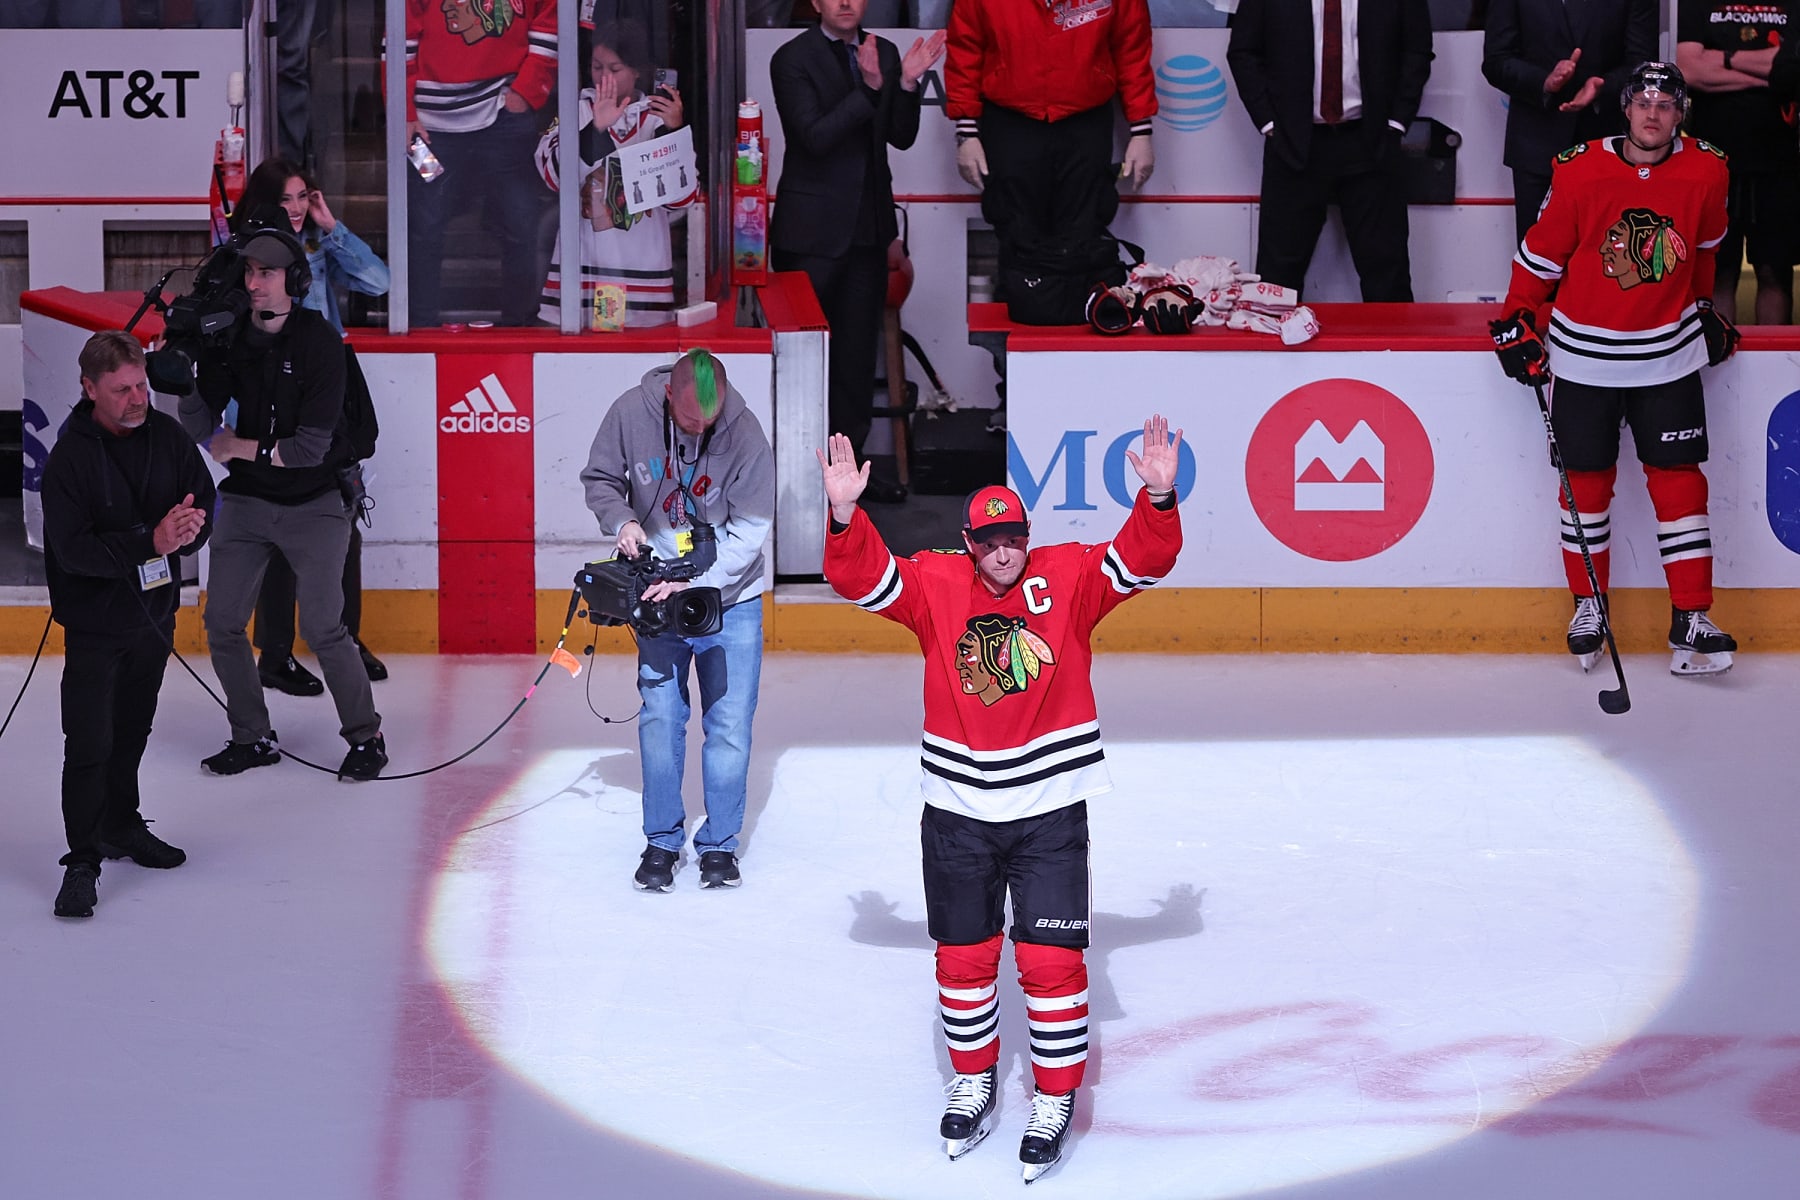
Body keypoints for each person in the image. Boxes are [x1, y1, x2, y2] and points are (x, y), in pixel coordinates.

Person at [818, 415, 1184, 1182]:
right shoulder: (932, 583)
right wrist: (848, 516)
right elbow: (860, 579)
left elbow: (1143, 560)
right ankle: (975, 1080)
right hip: (958, 807)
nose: (1002, 550)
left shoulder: (1072, 576)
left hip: (1049, 808)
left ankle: (1053, 1097)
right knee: (964, 956)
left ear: (1027, 532)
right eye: (986, 541)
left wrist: (1156, 496)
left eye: (1011, 535)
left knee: (1051, 961)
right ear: (966, 543)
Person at [1489, 62, 1741, 677]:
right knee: (1585, 487)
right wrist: (1519, 316)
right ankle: (1589, 608)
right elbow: (1540, 256)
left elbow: (1705, 251)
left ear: (1681, 113)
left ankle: (1691, 619)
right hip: (1584, 357)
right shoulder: (1579, 169)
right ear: (1624, 109)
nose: (1652, 113)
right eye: (1642, 102)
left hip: (1668, 355)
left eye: (1666, 103)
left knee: (1681, 484)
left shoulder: (1708, 168)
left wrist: (1704, 307)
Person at [178, 226, 388, 779]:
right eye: (248, 273)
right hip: (246, 501)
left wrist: (237, 446)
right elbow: (202, 423)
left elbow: (306, 451)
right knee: (222, 623)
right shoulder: (228, 339)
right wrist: (184, 379)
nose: (254, 284)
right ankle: (252, 735)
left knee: (323, 628)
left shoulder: (318, 341)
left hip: (315, 501)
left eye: (266, 273)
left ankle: (366, 738)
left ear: (293, 281)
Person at [580, 349, 776, 891]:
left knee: (729, 725)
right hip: (658, 592)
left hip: (730, 598)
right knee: (661, 718)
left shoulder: (746, 433)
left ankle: (720, 845)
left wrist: (702, 582)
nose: (701, 428)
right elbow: (599, 477)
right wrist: (621, 521)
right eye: (690, 420)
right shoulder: (629, 411)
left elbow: (752, 529)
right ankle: (662, 840)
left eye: (709, 421)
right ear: (669, 393)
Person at [40, 331, 216, 918]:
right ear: (90, 389)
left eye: (141, 384)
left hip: (153, 620)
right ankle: (83, 859)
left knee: (133, 730)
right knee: (89, 743)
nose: (138, 398)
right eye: (122, 390)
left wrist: (192, 527)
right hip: (94, 627)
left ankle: (121, 823)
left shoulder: (166, 435)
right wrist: (151, 541)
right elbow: (72, 551)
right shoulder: (70, 458)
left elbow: (204, 496)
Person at [770, 1, 943, 503]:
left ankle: (849, 482)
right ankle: (797, 482)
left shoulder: (883, 52)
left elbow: (901, 136)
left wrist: (906, 84)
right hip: (810, 236)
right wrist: (869, 88)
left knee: (852, 363)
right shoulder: (792, 58)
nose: (846, 2)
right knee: (805, 364)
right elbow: (815, 136)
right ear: (816, 3)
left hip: (868, 232)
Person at [234, 157, 391, 695]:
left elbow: (377, 280)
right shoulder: (244, 258)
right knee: (274, 527)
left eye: (304, 197)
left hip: (327, 393)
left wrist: (333, 227)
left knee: (340, 517)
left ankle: (344, 638)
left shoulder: (321, 247)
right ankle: (274, 654)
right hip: (268, 398)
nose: (297, 210)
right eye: (286, 201)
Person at [1226, 0, 1434, 301]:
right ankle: (1271, 345)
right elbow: (1243, 51)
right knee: (1277, 279)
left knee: (1387, 274)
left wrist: (1396, 122)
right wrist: (1270, 122)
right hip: (1293, 143)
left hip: (1370, 141)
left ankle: (1392, 347)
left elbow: (1416, 50)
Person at [946, 0, 1156, 296]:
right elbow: (965, 50)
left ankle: (1076, 328)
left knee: (1083, 229)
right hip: (1010, 121)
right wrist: (966, 133)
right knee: (1016, 230)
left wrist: (1141, 131)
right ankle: (1018, 329)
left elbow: (1132, 49)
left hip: (1085, 121)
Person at [397, 0, 557, 326]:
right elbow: (400, 39)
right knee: (424, 228)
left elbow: (550, 27)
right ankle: (421, 330)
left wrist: (524, 93)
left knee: (520, 224)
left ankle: (519, 330)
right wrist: (405, 113)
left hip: (503, 120)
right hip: (428, 135)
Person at [534, 20, 694, 328]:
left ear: (637, 71)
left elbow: (682, 200)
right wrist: (595, 128)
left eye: (615, 68)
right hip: (585, 269)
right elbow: (551, 176)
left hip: (645, 273)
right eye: (597, 67)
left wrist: (675, 131)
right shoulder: (574, 109)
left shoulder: (658, 117)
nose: (604, 77)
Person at [1482, 0, 1656, 240]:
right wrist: (1544, 81)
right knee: (1539, 263)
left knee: (1606, 259)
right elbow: (1496, 60)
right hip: (1536, 147)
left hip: (1608, 145)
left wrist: (1603, 88)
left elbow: (1642, 60)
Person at [1677, 0, 1800, 324]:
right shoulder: (1697, 5)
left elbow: (1795, 64)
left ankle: (1778, 371)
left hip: (1780, 161)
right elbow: (1689, 69)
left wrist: (1723, 59)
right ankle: (1721, 363)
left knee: (1775, 273)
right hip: (1713, 161)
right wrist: (1771, 77)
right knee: (1718, 273)